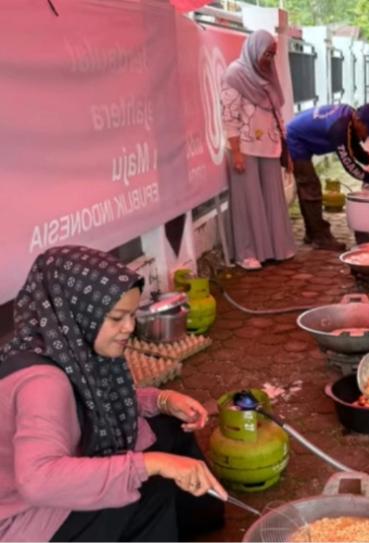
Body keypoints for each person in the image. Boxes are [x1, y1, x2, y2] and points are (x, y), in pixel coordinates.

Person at [0, 246, 227, 542]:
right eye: (117, 318)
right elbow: (38, 482)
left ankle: (197, 526)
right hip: (27, 520)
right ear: (78, 313)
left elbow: (95, 402)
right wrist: (154, 463)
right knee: (150, 489)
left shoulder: (64, 345)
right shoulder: (43, 383)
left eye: (132, 315)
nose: (129, 328)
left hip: (56, 481)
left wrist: (162, 400)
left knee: (169, 429)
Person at [221, 30, 297, 271]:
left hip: (270, 147)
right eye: (266, 53)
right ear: (254, 49)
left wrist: (286, 150)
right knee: (248, 202)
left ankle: (275, 248)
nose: (269, 59)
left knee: (273, 202)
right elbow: (229, 117)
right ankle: (247, 253)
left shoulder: (269, 77)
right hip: (244, 148)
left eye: (272, 54)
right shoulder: (235, 75)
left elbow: (278, 116)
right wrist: (236, 153)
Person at [286, 103, 369, 251]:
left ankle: (311, 233)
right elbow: (349, 165)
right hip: (295, 140)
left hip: (301, 137)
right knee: (311, 188)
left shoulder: (350, 119)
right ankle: (320, 238)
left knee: (308, 188)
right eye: (367, 131)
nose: (366, 136)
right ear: (358, 121)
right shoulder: (340, 128)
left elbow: (352, 146)